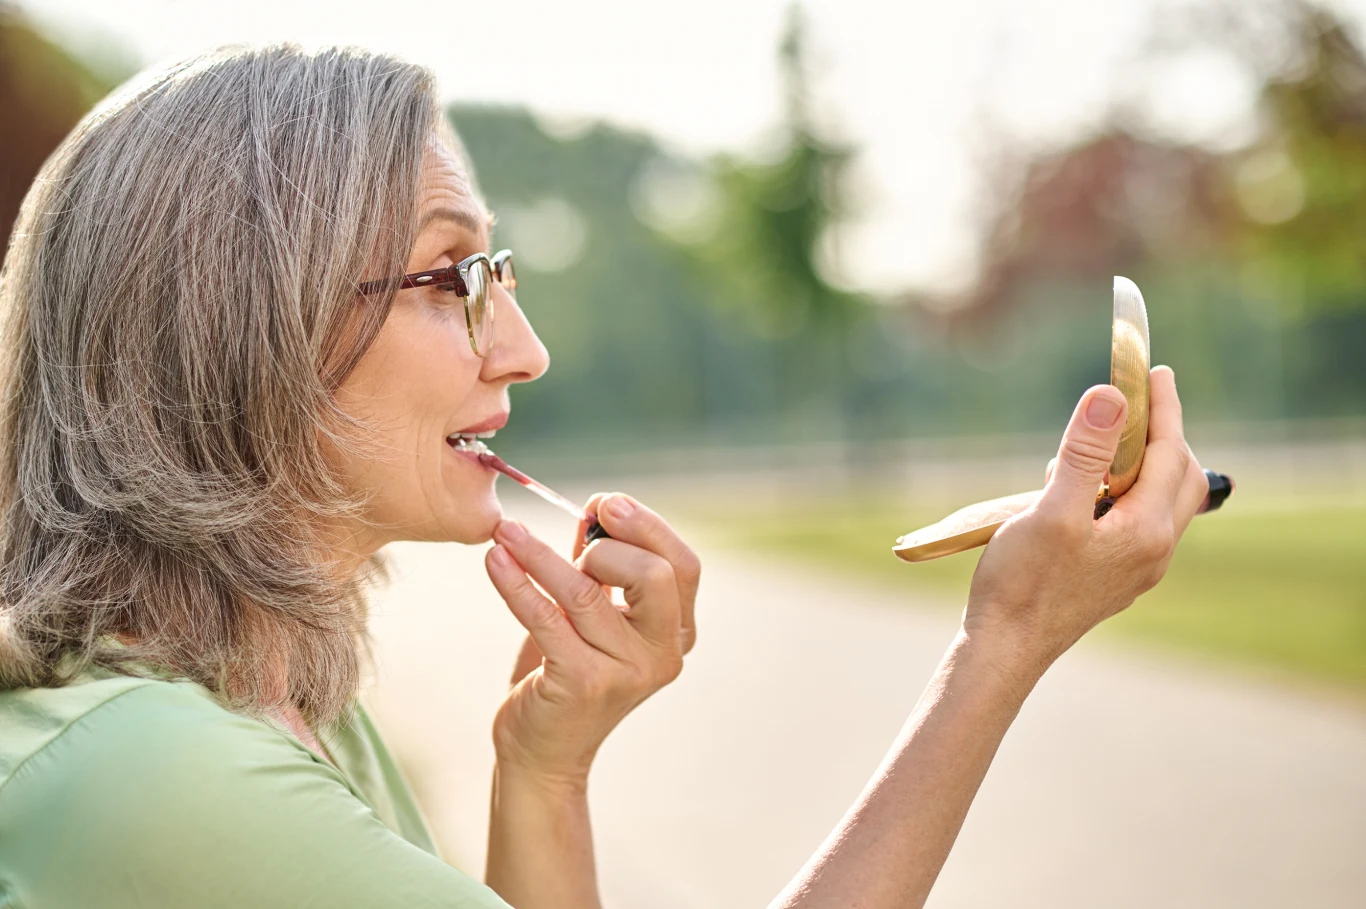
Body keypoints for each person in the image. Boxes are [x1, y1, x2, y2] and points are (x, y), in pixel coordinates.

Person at [0, 45, 1212, 909]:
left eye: (502, 274)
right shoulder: (167, 778)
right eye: (452, 279)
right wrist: (998, 647)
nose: (524, 351)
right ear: (241, 327)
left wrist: (547, 766)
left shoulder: (279, 713)